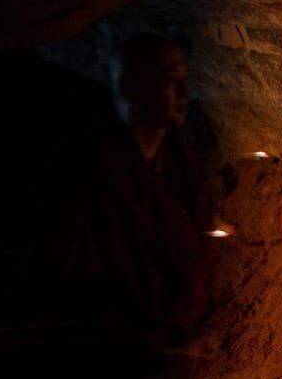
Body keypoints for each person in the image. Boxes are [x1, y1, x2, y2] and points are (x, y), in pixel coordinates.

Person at [68, 34, 222, 350]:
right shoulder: (97, 174)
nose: (183, 92)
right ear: (131, 87)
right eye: (170, 78)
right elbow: (92, 282)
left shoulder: (182, 163)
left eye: (186, 79)